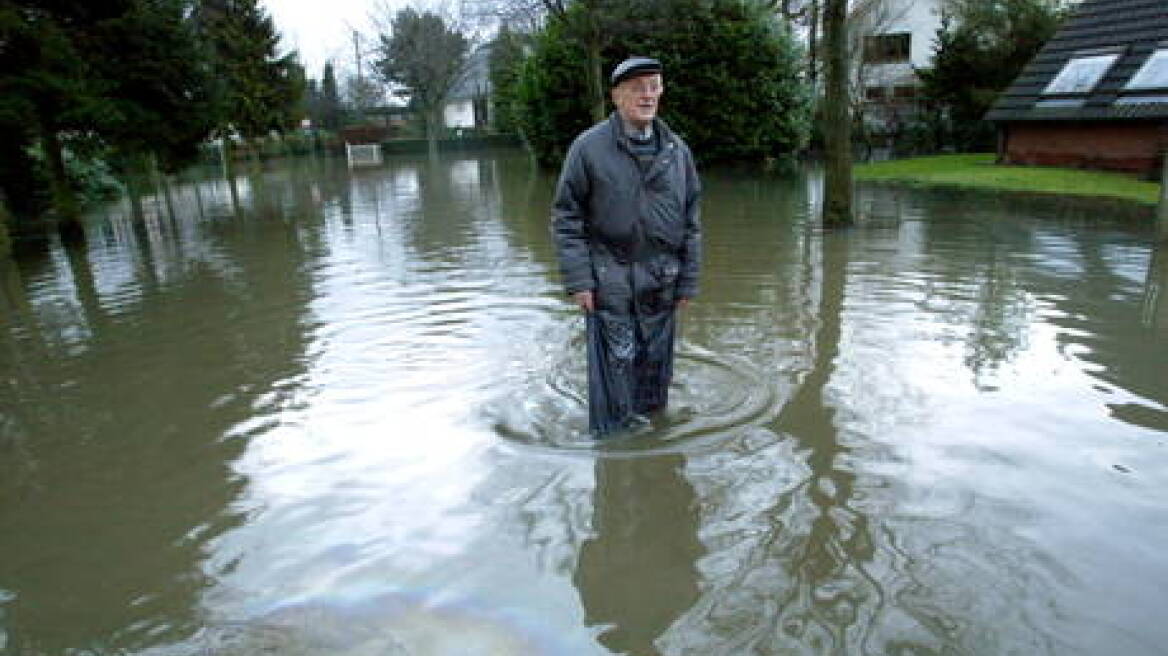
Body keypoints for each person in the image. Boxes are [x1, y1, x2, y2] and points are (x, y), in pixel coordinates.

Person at [551, 56, 702, 436]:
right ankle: (616, 453)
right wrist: (579, 280)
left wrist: (688, 280)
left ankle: (654, 447)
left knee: (655, 370)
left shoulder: (677, 152)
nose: (647, 95)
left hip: (662, 281)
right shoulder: (587, 148)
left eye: (654, 86)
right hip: (607, 280)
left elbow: (691, 222)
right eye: (637, 88)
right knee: (615, 370)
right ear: (616, 95)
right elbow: (566, 217)